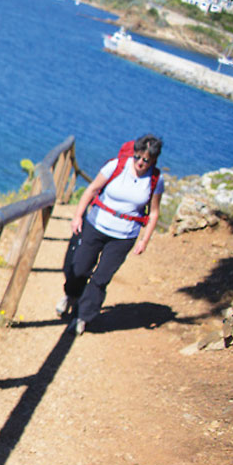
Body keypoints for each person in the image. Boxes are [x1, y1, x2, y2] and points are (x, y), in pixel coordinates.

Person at [58, 134, 164, 335]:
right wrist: (78, 216)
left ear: (154, 160)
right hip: (96, 224)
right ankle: (70, 295)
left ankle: (83, 317)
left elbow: (154, 212)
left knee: (101, 278)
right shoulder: (116, 166)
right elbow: (91, 190)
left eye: (147, 160)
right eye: (138, 157)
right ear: (134, 154)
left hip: (124, 236)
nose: (141, 163)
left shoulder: (155, 180)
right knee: (79, 268)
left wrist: (145, 240)